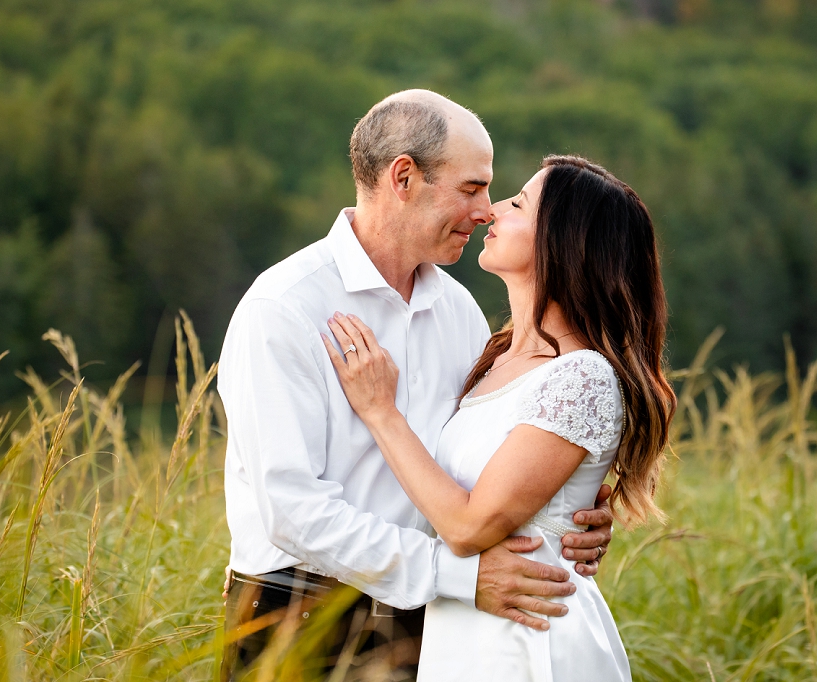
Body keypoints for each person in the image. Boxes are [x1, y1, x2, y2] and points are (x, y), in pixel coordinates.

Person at [218, 91, 615, 680]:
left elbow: (482, 459)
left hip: (438, 624)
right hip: (298, 617)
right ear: (404, 176)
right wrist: (458, 576)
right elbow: (292, 512)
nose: (485, 211)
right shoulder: (286, 307)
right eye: (471, 188)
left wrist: (566, 509)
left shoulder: (461, 314)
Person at [322, 154, 677, 681]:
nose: (491, 212)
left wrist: (380, 411)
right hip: (465, 622)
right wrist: (571, 508)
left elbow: (469, 527)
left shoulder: (581, 377)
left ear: (563, 241)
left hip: (528, 632)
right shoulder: (497, 353)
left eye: (517, 203)